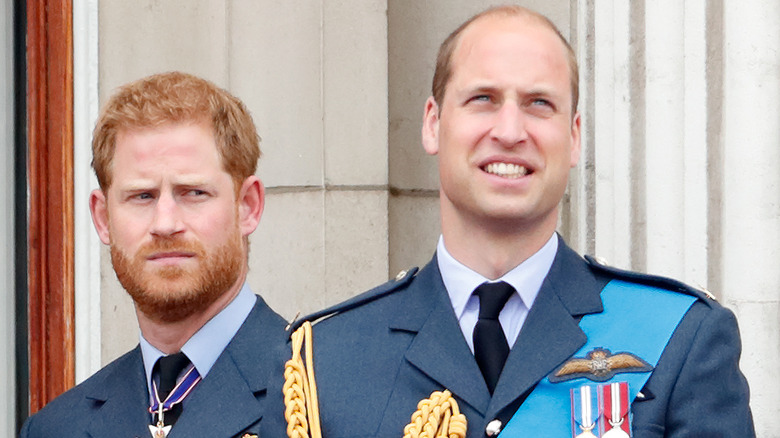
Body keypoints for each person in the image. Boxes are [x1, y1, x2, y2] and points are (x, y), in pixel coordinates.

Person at [276, 6, 754, 438]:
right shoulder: (326, 360)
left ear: (574, 136)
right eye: (482, 98)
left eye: (538, 103)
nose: (509, 131)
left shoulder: (680, 337)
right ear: (432, 123)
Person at [20, 71, 288, 438]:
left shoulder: (326, 395)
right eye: (142, 196)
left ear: (248, 206)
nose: (165, 223)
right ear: (102, 218)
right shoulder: (55, 429)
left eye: (193, 193)